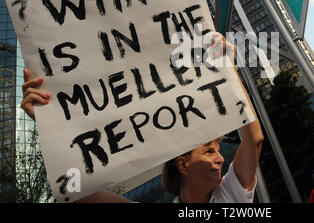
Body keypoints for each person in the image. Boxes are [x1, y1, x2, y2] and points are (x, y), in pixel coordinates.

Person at [21, 33, 264, 203]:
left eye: (217, 150)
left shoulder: (231, 196)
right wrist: (49, 126)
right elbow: (75, 192)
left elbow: (253, 140)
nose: (221, 158)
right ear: (183, 164)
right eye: (210, 151)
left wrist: (228, 70)